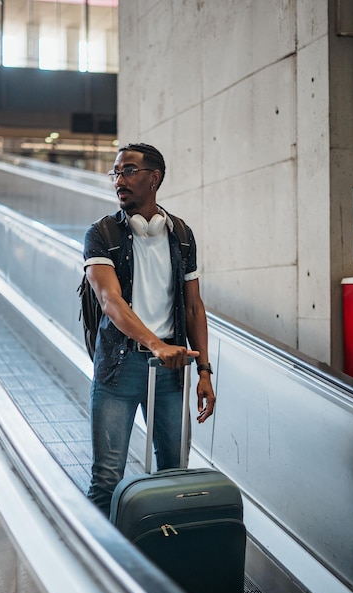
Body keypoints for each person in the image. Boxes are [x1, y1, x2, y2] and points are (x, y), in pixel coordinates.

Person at [83, 142, 216, 516]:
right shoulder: (102, 235)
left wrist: (205, 370)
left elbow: (193, 307)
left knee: (174, 475)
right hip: (118, 370)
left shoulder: (182, 235)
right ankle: (100, 567)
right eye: (116, 172)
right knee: (107, 479)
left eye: (128, 171)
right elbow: (110, 302)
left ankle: (164, 559)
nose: (118, 180)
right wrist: (155, 344)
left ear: (154, 178)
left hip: (172, 372)